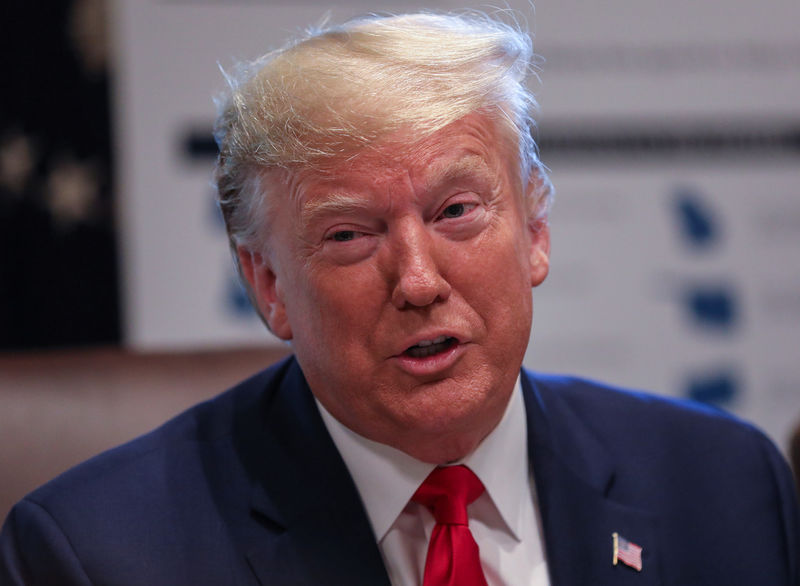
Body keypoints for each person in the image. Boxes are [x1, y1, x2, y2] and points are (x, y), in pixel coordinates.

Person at [1, 11, 798, 586]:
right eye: (350, 235)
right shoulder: (96, 555)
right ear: (269, 285)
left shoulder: (726, 487)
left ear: (537, 233)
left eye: (456, 212)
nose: (419, 281)